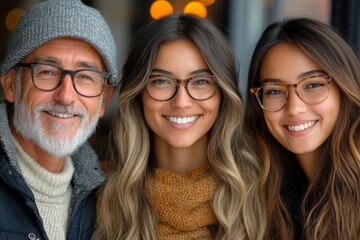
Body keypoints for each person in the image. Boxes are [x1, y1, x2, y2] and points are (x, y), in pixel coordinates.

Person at [94, 13, 264, 240]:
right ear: (138, 93)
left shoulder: (263, 196)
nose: (182, 102)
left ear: (223, 94)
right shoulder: (96, 197)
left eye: (201, 81)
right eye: (161, 81)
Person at [0, 0, 118, 239]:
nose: (65, 96)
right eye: (47, 72)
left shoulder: (108, 202)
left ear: (104, 100)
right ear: (11, 84)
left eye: (85, 77)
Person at [243, 17, 360, 239]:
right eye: (275, 91)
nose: (294, 108)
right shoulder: (259, 193)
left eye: (313, 85)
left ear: (344, 89)